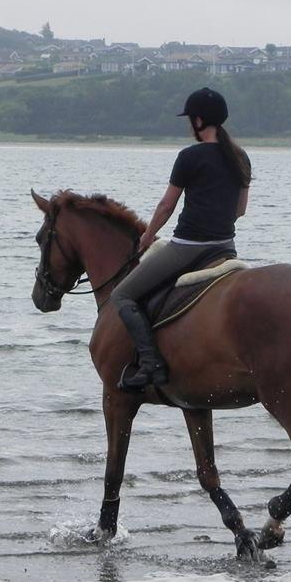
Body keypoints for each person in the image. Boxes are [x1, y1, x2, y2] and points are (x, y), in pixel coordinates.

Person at [110, 87, 252, 392]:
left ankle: (151, 363)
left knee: (121, 295)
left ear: (199, 121)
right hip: (226, 248)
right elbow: (240, 210)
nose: (189, 126)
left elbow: (166, 206)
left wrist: (147, 237)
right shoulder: (240, 157)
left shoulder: (190, 156)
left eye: (190, 120)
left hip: (188, 248)